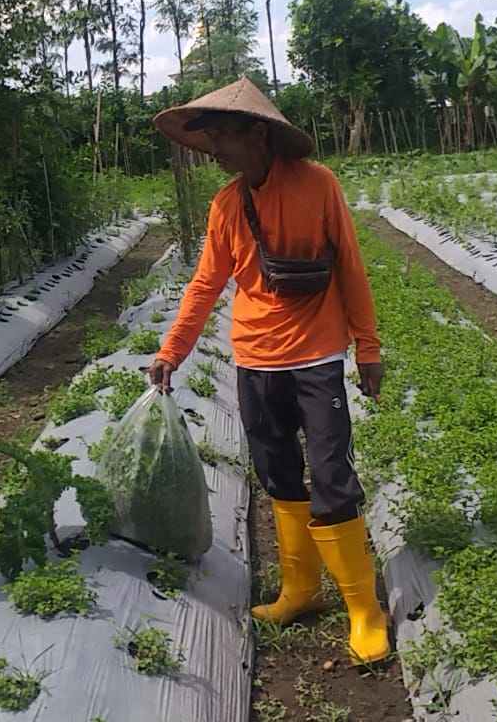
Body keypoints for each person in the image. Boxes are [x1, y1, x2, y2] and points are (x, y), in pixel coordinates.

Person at [147, 78, 390, 665]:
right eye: (209, 140)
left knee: (332, 477)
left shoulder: (318, 185)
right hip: (255, 361)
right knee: (278, 475)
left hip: (317, 358)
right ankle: (301, 590)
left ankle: (364, 611)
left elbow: (350, 266)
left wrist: (368, 348)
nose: (214, 151)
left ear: (258, 134)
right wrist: (172, 351)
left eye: (222, 137)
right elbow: (206, 284)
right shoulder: (226, 205)